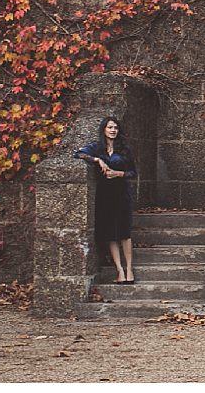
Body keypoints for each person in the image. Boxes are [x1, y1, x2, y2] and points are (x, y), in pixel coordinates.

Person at [74, 117, 137, 284]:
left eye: (116, 127)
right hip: (105, 195)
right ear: (104, 129)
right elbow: (78, 153)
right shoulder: (97, 148)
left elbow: (133, 172)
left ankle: (130, 270)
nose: (113, 130)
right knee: (111, 234)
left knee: (124, 232)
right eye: (110, 127)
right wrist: (97, 160)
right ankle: (120, 271)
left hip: (122, 193)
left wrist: (117, 173)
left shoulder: (124, 149)